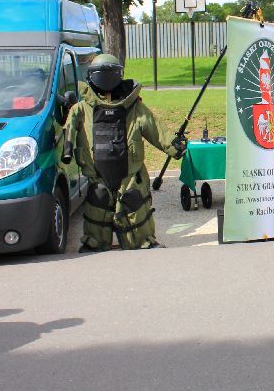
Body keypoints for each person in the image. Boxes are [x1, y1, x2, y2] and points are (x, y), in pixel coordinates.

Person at [63, 54, 186, 251]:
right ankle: (96, 241)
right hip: (99, 172)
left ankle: (141, 240)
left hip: (128, 171)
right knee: (99, 203)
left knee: (132, 202)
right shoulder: (83, 108)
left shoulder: (132, 106)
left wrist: (173, 145)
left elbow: (153, 128)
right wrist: (67, 149)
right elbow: (69, 131)